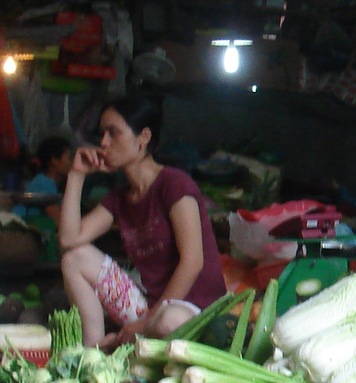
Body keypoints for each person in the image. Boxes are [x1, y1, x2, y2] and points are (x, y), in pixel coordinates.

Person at [58, 97, 226, 348]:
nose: (103, 143)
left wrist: (145, 323)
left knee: (169, 322)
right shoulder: (120, 198)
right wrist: (76, 174)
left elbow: (193, 262)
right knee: (73, 258)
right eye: (102, 134)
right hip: (150, 307)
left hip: (193, 312)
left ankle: (134, 338)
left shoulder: (174, 184)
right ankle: (92, 351)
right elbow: (69, 239)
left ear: (143, 137)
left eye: (113, 133)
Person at [20, 136, 73, 225]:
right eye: (68, 158)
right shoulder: (44, 183)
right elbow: (57, 220)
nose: (71, 163)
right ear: (54, 161)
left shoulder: (48, 182)